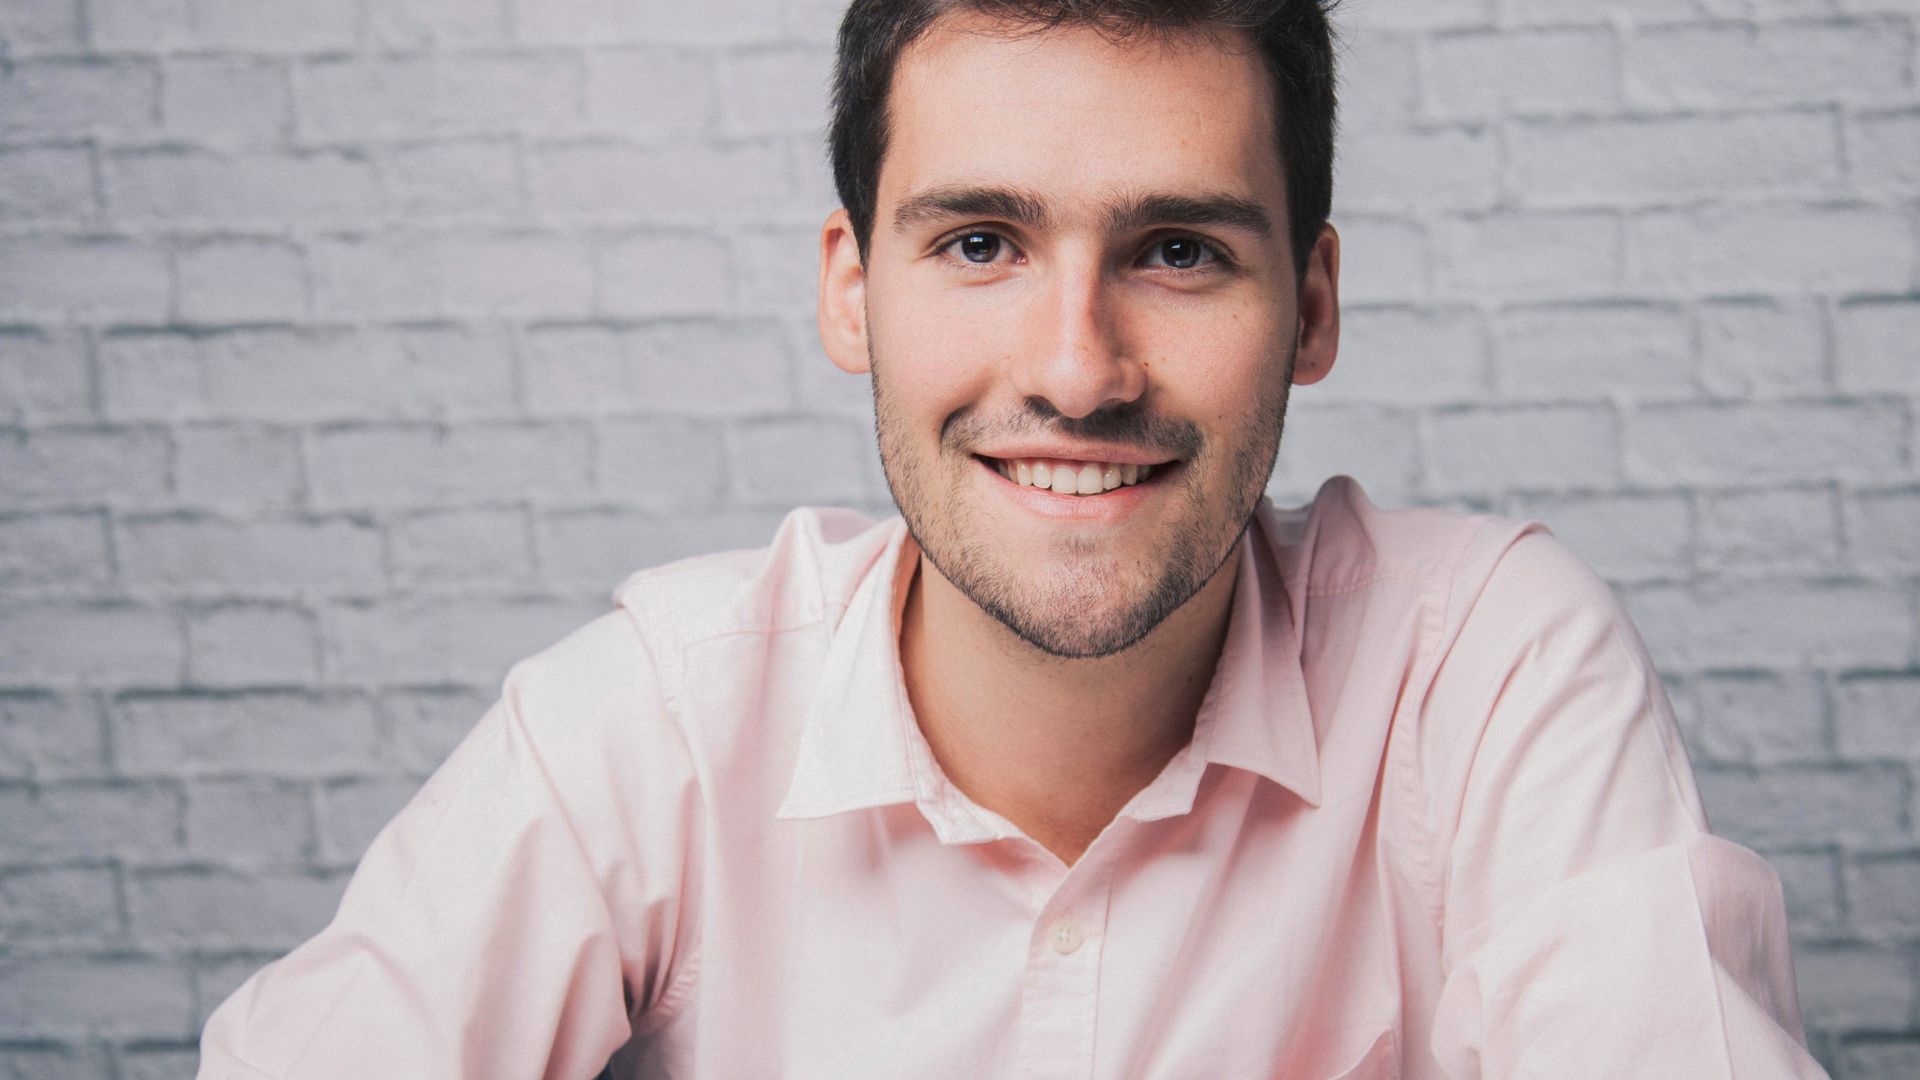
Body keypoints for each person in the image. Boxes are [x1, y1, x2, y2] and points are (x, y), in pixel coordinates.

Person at [197, 2, 1828, 1077]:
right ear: (852, 286)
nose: (1074, 368)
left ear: (1312, 306)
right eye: (980, 241)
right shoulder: (656, 729)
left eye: (1177, 250)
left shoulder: (1483, 673)